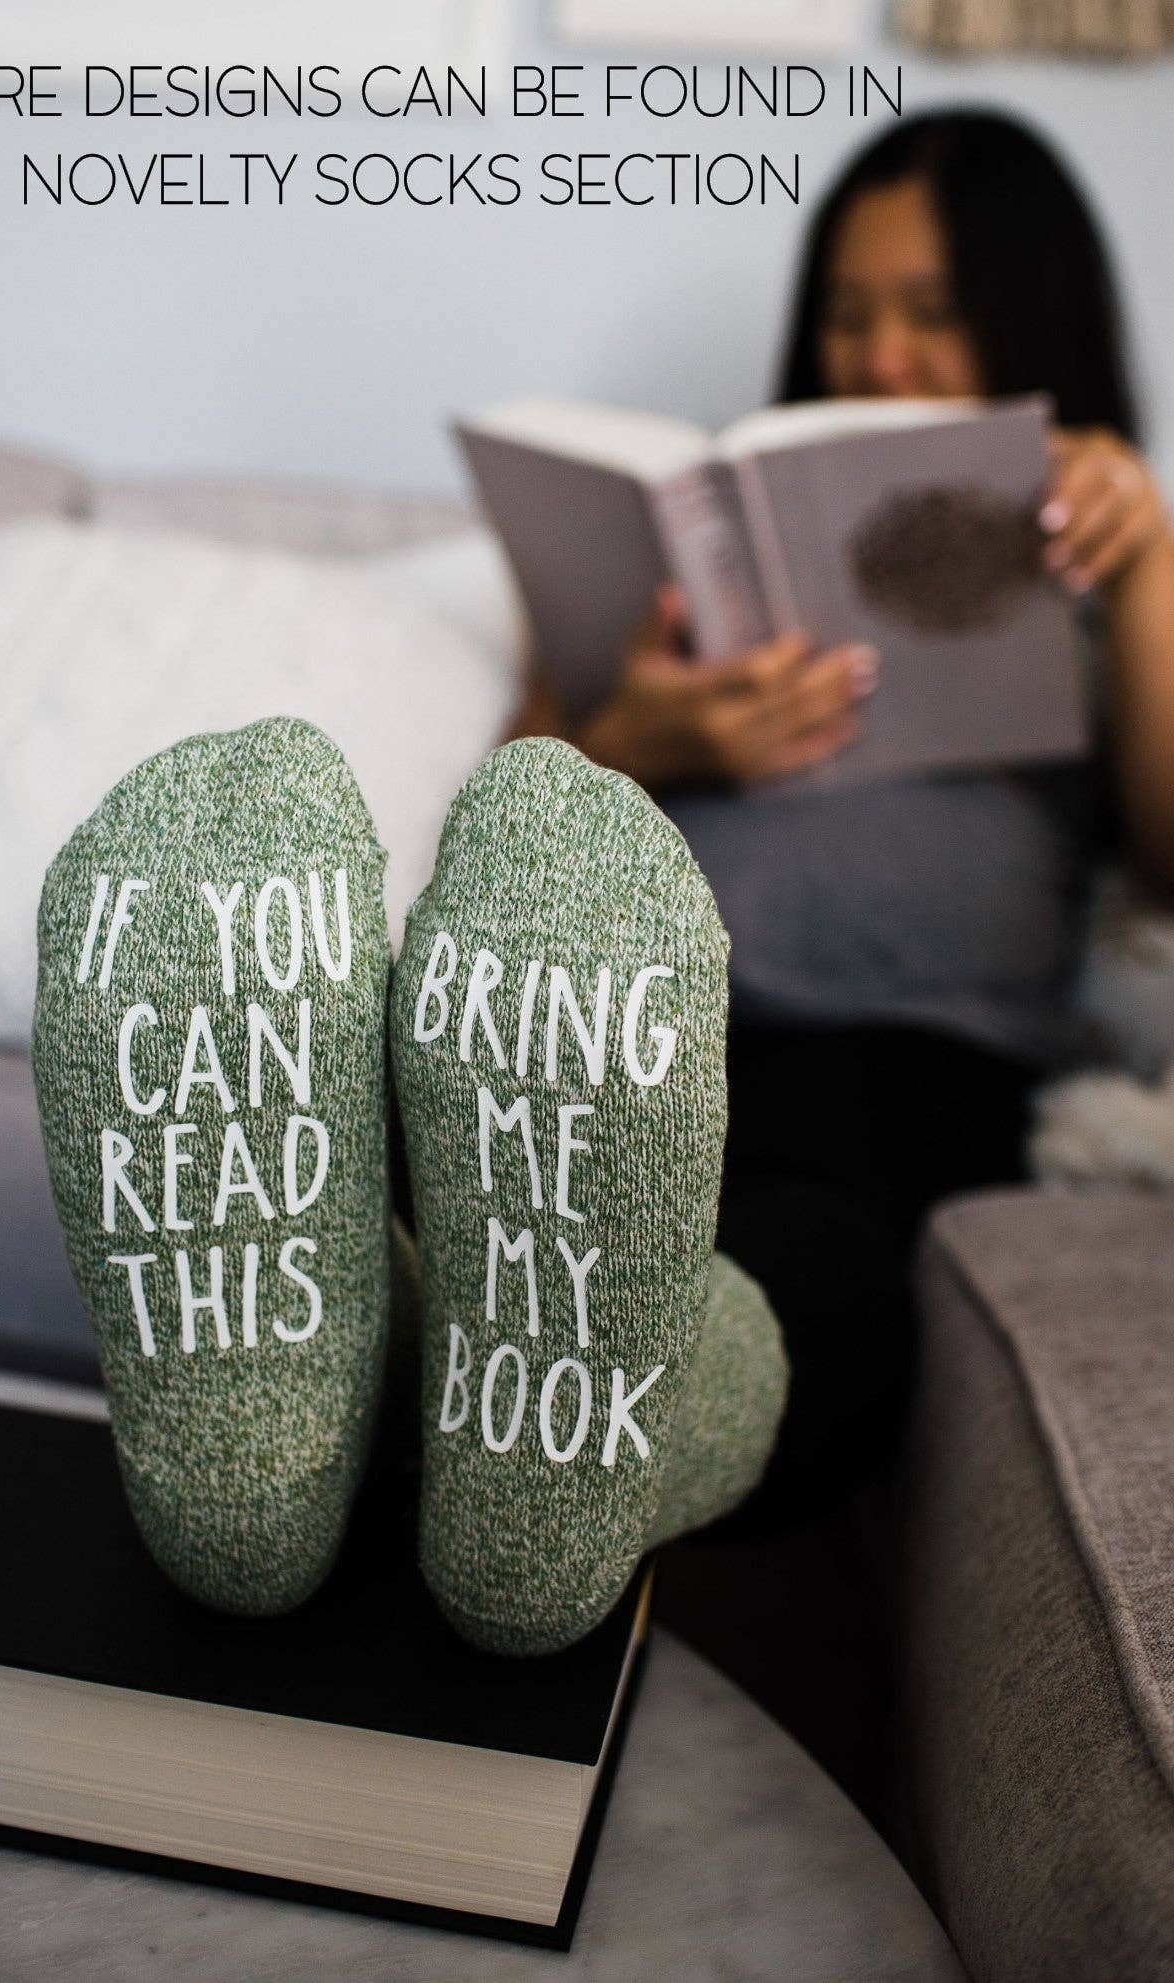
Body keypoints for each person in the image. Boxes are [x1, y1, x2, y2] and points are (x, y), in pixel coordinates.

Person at [511, 109, 1174, 1521]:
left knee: (824, 1271)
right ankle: (485, 1372)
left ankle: (563, 1432)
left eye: (934, 316)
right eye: (850, 317)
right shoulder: (697, 550)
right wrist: (638, 738)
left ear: (1032, 320)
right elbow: (508, 813)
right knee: (489, 1108)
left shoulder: (1113, 568)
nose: (879, 361)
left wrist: (1151, 563)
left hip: (906, 1061)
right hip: (638, 1016)